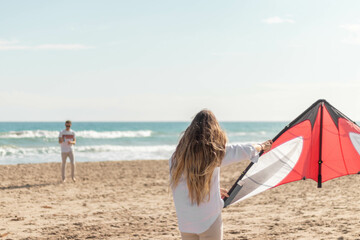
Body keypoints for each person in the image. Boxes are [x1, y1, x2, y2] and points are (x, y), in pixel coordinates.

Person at [170, 110, 272, 240]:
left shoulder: (176, 158)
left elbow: (181, 185)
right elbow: (245, 150)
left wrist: (213, 190)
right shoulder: (214, 153)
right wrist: (262, 145)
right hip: (208, 220)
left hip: (186, 222)